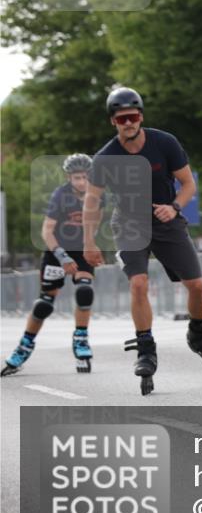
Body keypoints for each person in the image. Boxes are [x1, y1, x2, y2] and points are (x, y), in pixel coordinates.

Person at [83, 86, 202, 395]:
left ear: (141, 116)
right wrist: (88, 242)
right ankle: (146, 347)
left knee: (197, 286)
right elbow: (92, 201)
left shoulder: (165, 142)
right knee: (138, 283)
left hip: (166, 220)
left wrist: (174, 206)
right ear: (113, 122)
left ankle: (198, 335)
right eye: (122, 119)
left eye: (133, 117)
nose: (128, 123)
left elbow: (188, 184)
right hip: (130, 224)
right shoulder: (105, 158)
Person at [2, 154, 99, 376]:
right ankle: (24, 346)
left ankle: (81, 340)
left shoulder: (96, 195)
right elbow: (46, 231)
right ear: (69, 177)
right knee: (44, 304)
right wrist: (63, 257)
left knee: (85, 291)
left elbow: (95, 224)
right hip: (57, 252)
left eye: (85, 177)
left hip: (82, 250)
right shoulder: (60, 195)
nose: (81, 182)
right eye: (76, 178)